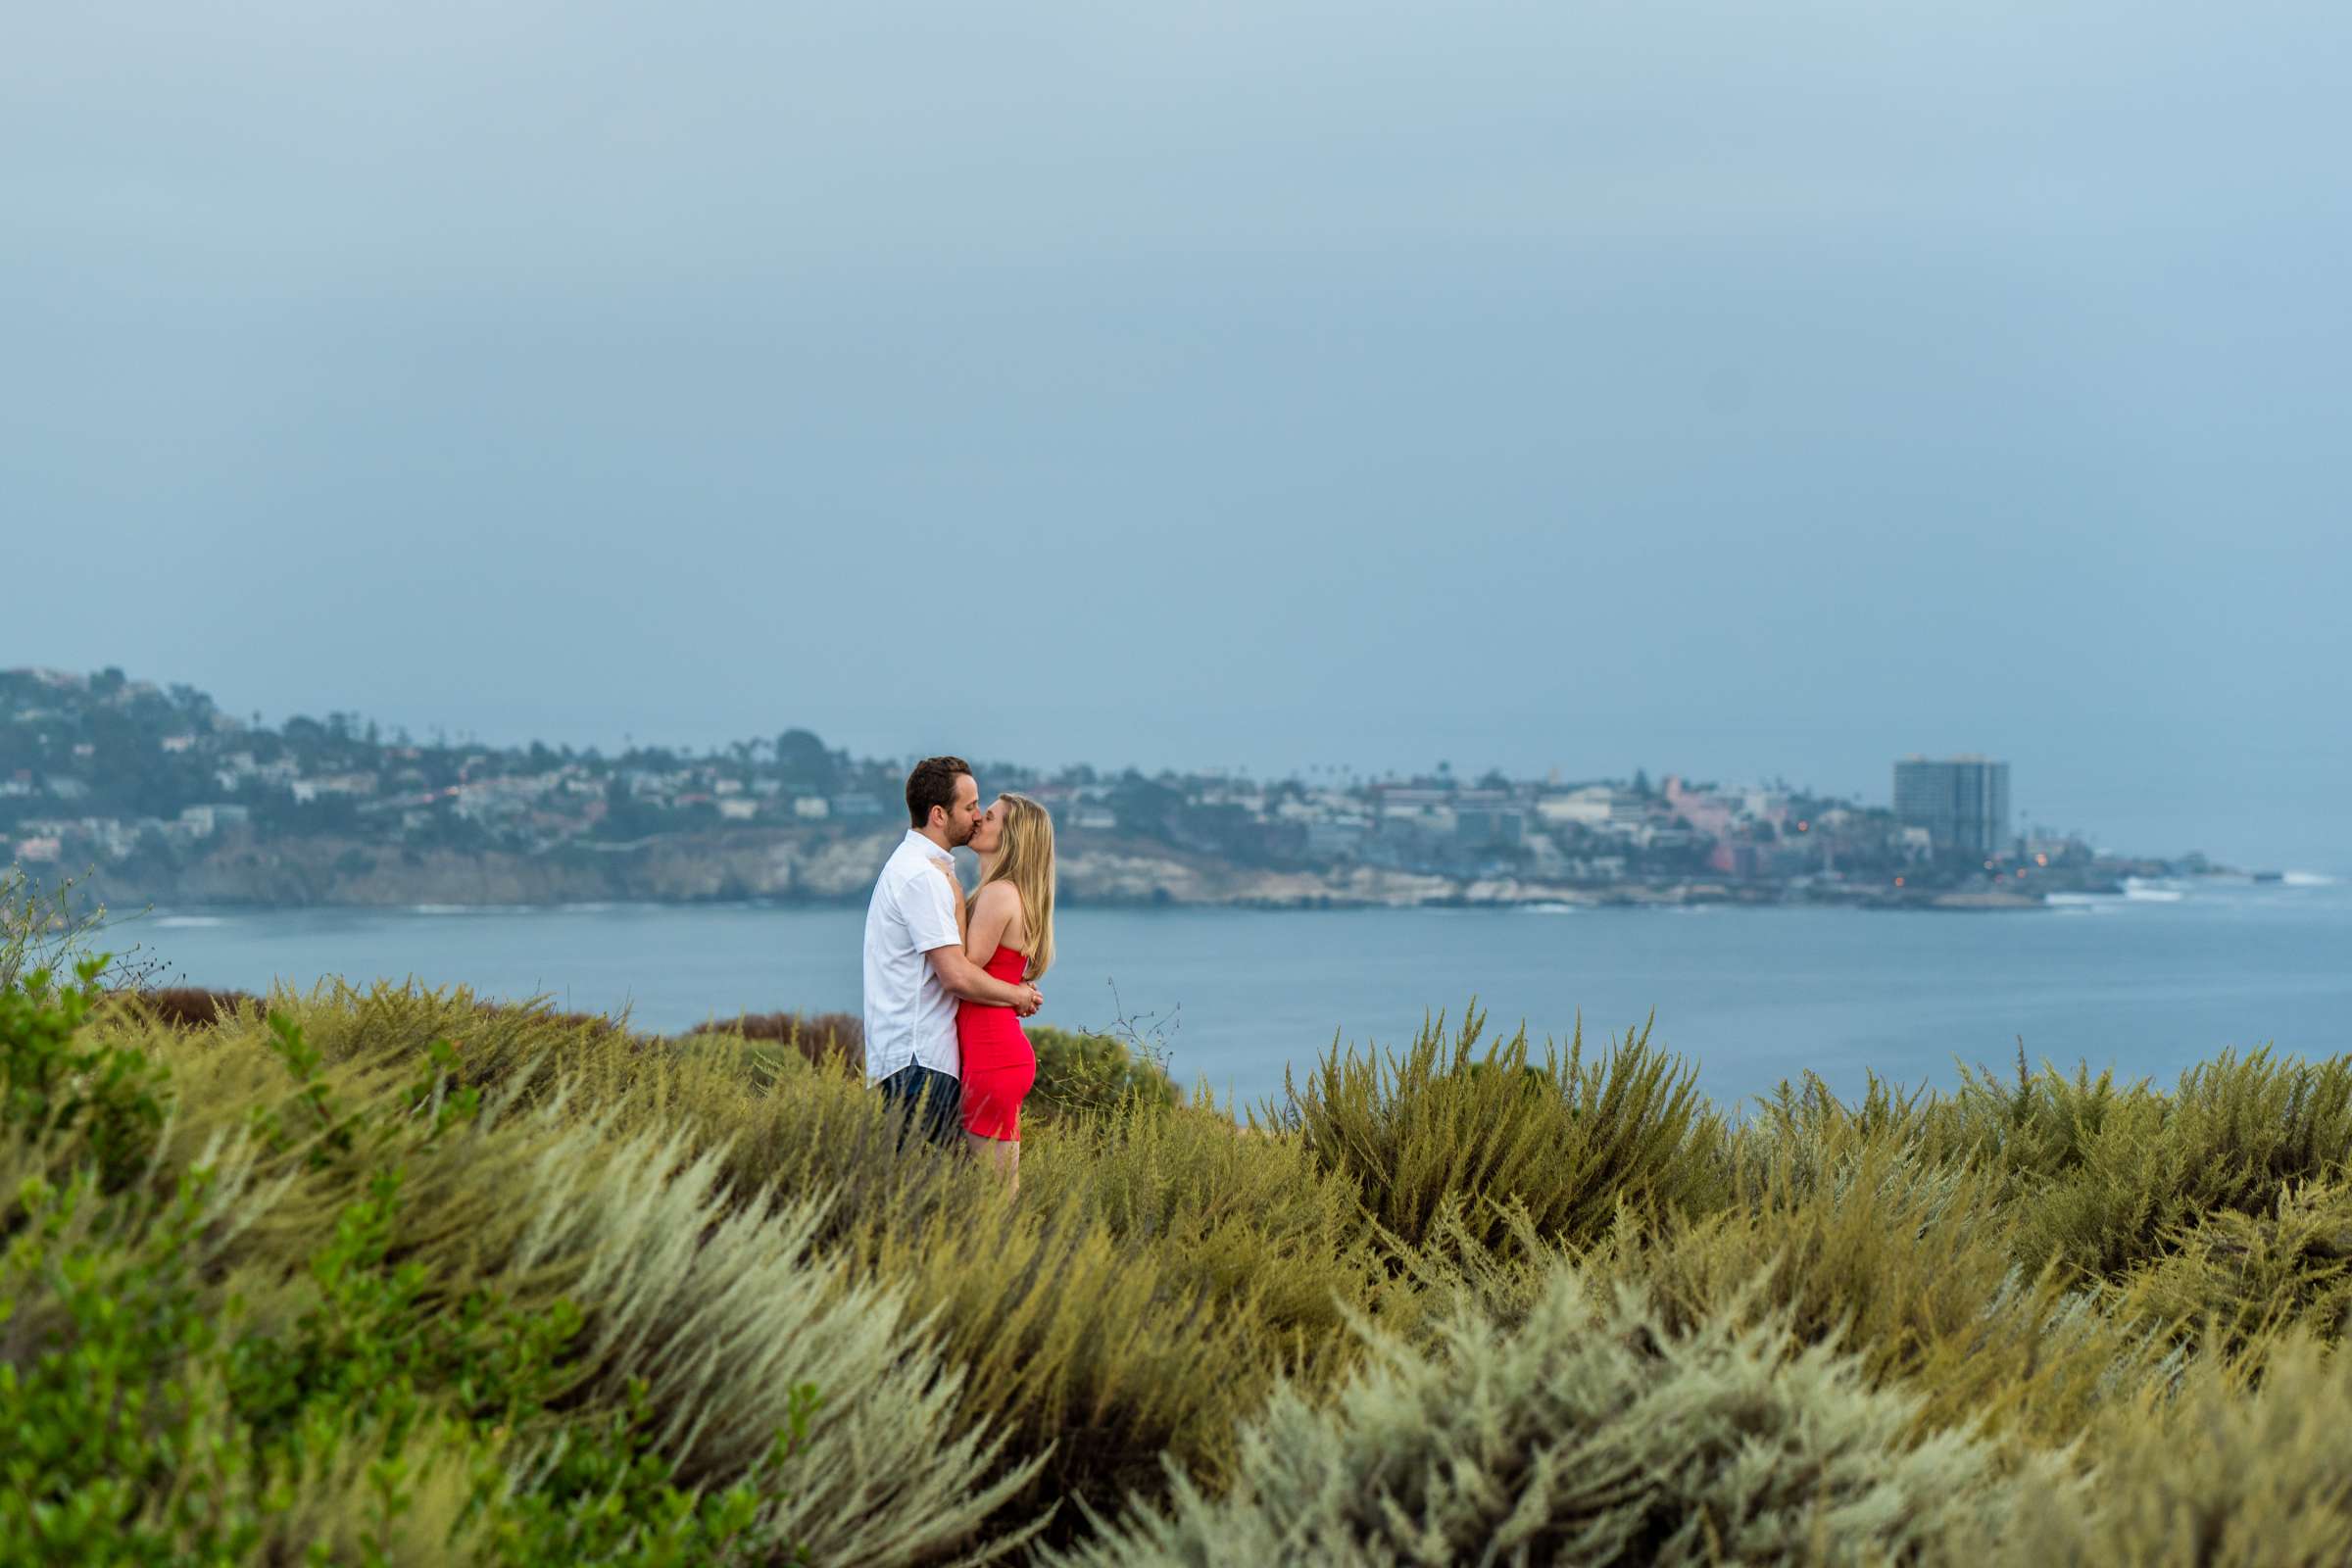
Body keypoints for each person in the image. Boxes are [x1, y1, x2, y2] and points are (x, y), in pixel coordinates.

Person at [862, 756, 1041, 1150]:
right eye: (971, 807)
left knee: (945, 1193)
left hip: (919, 1061)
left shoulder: (923, 870)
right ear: (939, 815)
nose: (977, 817)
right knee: (933, 1195)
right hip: (918, 1061)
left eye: (982, 809)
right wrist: (1017, 995)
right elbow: (958, 974)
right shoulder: (924, 877)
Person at [953, 791, 1055, 1193]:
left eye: (990, 817)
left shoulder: (998, 894)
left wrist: (951, 894)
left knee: (993, 1197)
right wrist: (1016, 991)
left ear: (1010, 836)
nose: (978, 819)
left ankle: (1007, 1255)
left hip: (991, 1055)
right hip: (996, 1052)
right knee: (997, 1190)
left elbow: (965, 964)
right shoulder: (1009, 893)